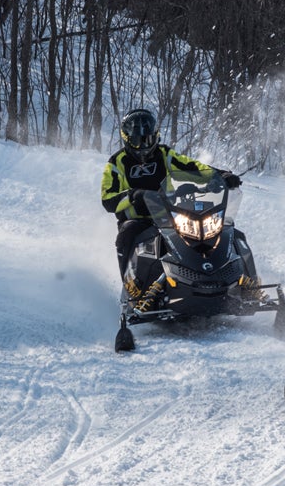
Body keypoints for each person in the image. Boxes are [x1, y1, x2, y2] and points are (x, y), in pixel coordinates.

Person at [101, 108, 241, 350]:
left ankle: (233, 279)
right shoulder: (116, 163)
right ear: (127, 139)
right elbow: (108, 199)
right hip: (138, 219)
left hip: (168, 213)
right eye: (137, 140)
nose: (144, 145)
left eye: (147, 138)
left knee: (216, 229)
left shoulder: (164, 154)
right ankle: (131, 291)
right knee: (127, 236)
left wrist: (220, 175)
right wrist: (132, 195)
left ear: (155, 135)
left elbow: (193, 167)